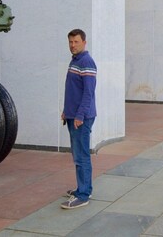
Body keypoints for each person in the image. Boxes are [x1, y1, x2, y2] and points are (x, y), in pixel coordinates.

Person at [61, 28, 97, 209]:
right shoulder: (75, 60)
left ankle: (83, 195)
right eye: (70, 42)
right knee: (78, 155)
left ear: (84, 42)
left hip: (81, 118)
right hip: (72, 116)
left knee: (82, 156)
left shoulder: (86, 61)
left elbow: (88, 93)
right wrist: (66, 111)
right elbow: (73, 91)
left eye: (76, 42)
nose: (72, 45)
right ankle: (83, 188)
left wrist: (80, 115)